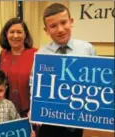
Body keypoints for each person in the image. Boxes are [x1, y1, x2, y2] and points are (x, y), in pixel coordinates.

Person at [33, 3, 96, 137]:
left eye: (63, 22)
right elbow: (34, 85)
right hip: (50, 122)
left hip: (78, 119)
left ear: (71, 21)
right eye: (53, 26)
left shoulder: (87, 49)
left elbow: (95, 84)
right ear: (46, 30)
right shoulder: (41, 55)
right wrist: (35, 108)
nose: (60, 29)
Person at [0, 18, 37, 118]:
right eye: (12, 32)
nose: (15, 36)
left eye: (19, 32)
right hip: (6, 108)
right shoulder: (3, 53)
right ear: (6, 34)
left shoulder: (36, 53)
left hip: (29, 110)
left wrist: (35, 108)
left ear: (25, 35)